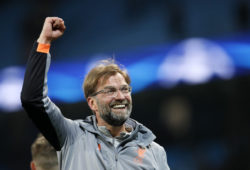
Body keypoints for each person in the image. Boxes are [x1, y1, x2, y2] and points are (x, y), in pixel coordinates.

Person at [21, 17, 170, 170]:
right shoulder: (72, 137)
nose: (120, 96)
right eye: (110, 90)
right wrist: (44, 41)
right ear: (92, 103)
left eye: (124, 89)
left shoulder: (154, 152)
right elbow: (33, 98)